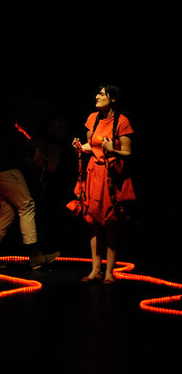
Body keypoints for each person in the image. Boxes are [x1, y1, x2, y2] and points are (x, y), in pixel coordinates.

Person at [0, 100, 60, 270]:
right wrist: (35, 153)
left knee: (7, 211)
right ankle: (35, 256)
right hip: (5, 169)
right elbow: (20, 146)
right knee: (27, 205)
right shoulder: (9, 125)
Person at [70, 84, 135, 284]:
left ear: (113, 99)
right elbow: (93, 146)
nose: (97, 97)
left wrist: (112, 150)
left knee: (111, 223)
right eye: (97, 93)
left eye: (102, 94)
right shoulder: (93, 118)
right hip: (93, 174)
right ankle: (95, 270)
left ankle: (109, 272)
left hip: (111, 176)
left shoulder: (122, 121)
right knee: (93, 222)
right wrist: (81, 147)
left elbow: (128, 153)